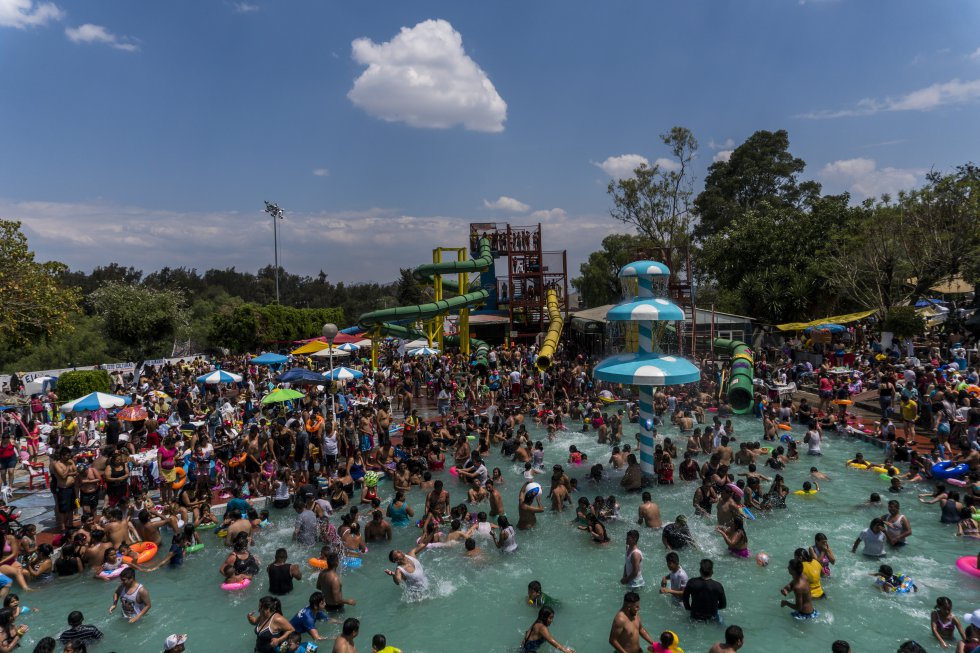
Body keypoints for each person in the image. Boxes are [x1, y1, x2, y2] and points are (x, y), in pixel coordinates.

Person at [682, 558, 726, 623]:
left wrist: (690, 609)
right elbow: (723, 605)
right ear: (712, 572)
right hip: (711, 617)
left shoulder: (691, 583)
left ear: (700, 570)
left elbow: (685, 599)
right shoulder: (718, 586)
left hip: (695, 616)